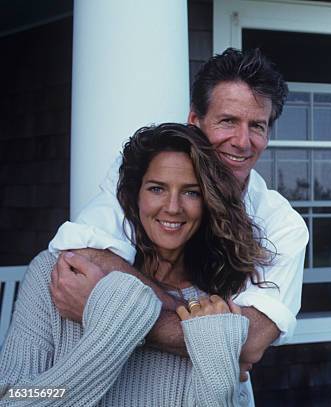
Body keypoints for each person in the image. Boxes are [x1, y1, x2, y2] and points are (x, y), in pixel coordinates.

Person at [47, 48, 308, 401]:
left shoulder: (282, 225)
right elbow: (81, 256)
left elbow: (247, 346)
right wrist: (213, 334)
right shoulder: (142, 174)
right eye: (227, 121)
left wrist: (112, 311)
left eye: (257, 126)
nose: (243, 141)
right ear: (194, 122)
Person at [0, 123, 271, 405]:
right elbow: (12, 395)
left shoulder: (211, 310)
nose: (173, 207)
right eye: (157, 189)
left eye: (191, 192)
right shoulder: (61, 275)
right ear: (134, 195)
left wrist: (215, 345)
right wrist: (117, 323)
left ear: (209, 202)